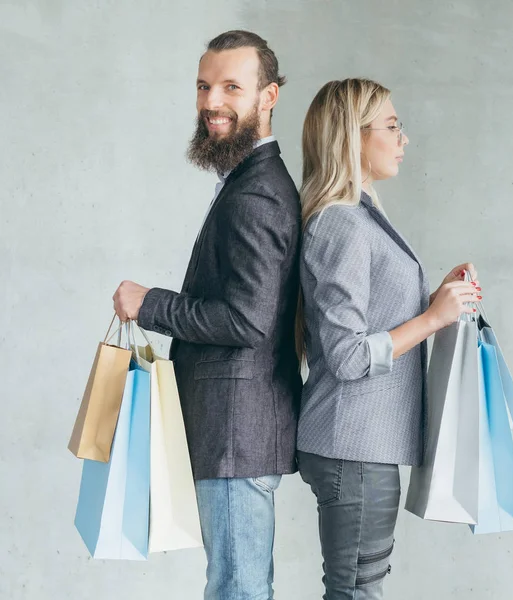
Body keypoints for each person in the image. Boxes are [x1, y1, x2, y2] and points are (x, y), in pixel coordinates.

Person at [112, 30, 302, 600]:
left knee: (238, 590)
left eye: (231, 88)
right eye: (203, 86)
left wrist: (151, 304)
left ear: (269, 97)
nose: (211, 102)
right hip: (235, 432)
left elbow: (248, 321)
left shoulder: (256, 194)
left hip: (235, 435)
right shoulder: (247, 182)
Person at [295, 78, 482, 599]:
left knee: (358, 588)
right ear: (351, 137)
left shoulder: (360, 216)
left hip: (360, 446)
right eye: (393, 126)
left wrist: (435, 300)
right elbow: (349, 354)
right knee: (357, 591)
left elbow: (371, 319)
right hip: (351, 447)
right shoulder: (342, 224)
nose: (404, 139)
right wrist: (432, 320)